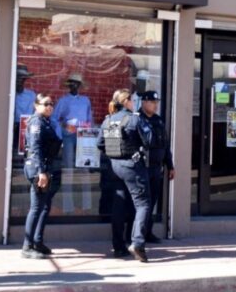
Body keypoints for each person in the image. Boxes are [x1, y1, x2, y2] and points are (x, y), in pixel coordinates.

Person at [97, 88, 152, 262]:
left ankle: (118, 246)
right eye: (132, 99)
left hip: (114, 166)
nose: (134, 102)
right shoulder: (134, 118)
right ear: (126, 101)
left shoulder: (108, 120)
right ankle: (138, 243)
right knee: (143, 204)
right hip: (131, 165)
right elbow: (149, 140)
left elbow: (100, 144)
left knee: (118, 205)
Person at [21, 93, 62, 259]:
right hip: (39, 168)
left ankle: (37, 242)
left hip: (46, 167)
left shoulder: (46, 121)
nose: (49, 107)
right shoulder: (37, 122)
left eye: (51, 104)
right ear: (36, 105)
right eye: (46, 104)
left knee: (44, 207)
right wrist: (41, 172)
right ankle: (27, 246)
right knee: (36, 207)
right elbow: (35, 148)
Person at [51, 73, 93, 214]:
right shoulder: (63, 101)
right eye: (72, 83)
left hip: (83, 136)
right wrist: (63, 129)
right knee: (68, 170)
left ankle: (87, 206)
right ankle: (68, 206)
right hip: (69, 136)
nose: (74, 86)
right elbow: (55, 119)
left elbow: (90, 119)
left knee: (85, 169)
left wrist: (89, 132)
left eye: (77, 83)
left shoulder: (86, 100)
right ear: (69, 85)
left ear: (80, 85)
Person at [138, 91, 174, 243]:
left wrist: (170, 165)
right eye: (152, 102)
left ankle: (147, 232)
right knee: (142, 202)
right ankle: (136, 234)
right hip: (142, 167)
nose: (155, 105)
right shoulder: (137, 119)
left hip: (156, 168)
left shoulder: (158, 120)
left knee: (152, 201)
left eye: (157, 102)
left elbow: (165, 145)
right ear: (144, 102)